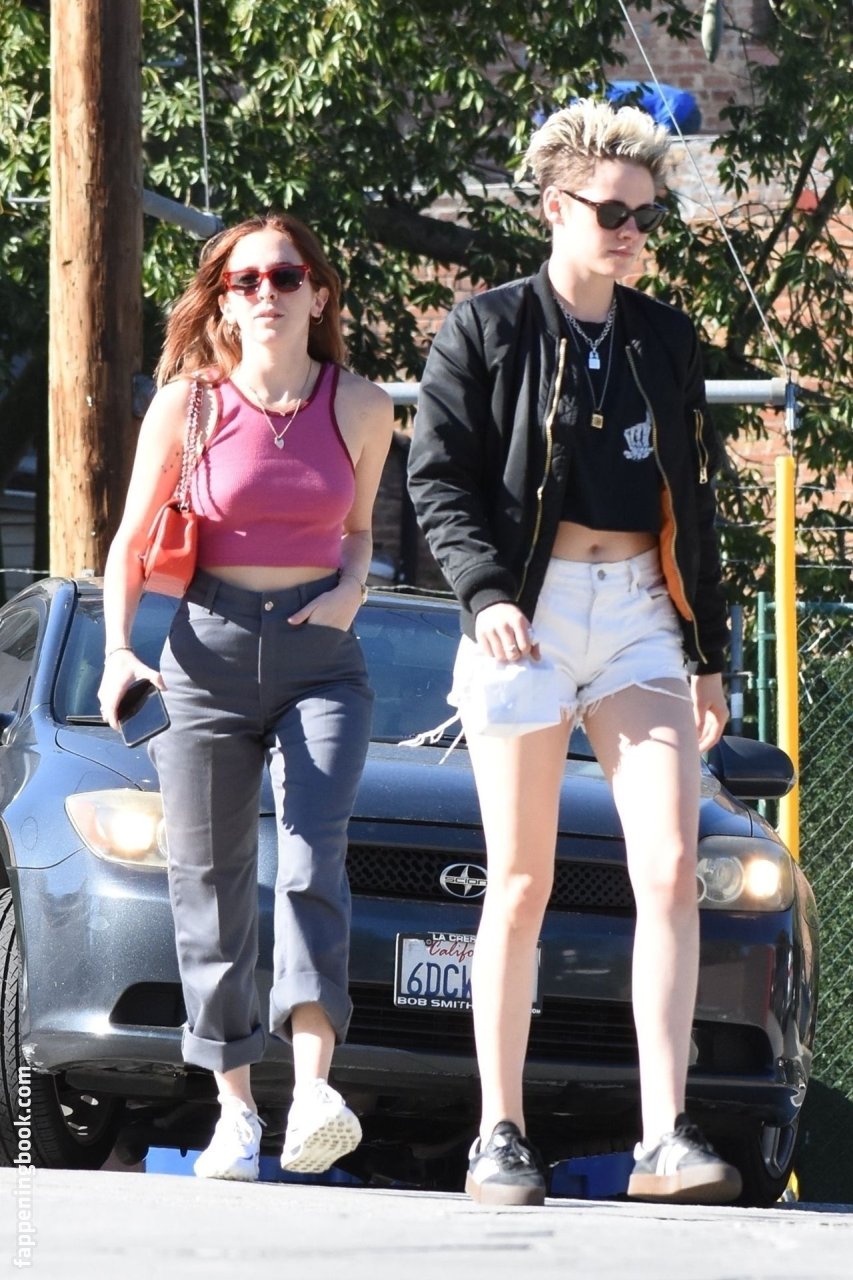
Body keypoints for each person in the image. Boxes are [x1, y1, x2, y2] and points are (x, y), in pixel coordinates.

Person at [407, 99, 742, 1207]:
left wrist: (706, 649)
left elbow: (695, 502)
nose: (632, 232)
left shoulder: (664, 339)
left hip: (640, 609)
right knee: (520, 878)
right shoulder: (484, 328)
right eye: (612, 213)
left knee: (669, 868)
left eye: (646, 215)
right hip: (528, 611)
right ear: (555, 208)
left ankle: (663, 1136)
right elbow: (436, 480)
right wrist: (484, 593)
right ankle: (498, 1132)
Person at [98, 213, 393, 1182]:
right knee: (209, 880)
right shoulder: (186, 406)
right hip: (206, 653)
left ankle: (312, 1091)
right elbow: (129, 542)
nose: (265, 292)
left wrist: (351, 589)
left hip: (320, 657)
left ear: (318, 293)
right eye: (244, 280)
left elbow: (358, 530)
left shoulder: (360, 406)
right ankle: (234, 1108)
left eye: (284, 275)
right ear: (223, 301)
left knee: (312, 857)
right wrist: (117, 653)